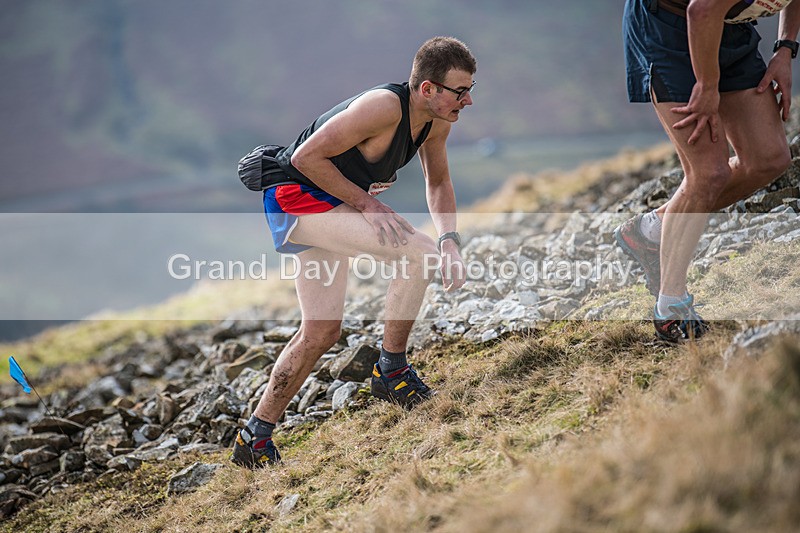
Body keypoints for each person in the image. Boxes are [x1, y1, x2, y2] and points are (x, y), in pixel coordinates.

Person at [232, 37, 476, 467]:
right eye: (460, 91)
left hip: (329, 200)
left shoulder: (438, 121)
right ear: (428, 89)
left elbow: (437, 182)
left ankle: (254, 438)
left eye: (470, 89)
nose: (468, 100)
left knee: (322, 331)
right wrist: (367, 203)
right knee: (417, 254)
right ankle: (392, 372)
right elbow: (306, 157)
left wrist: (450, 239)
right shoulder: (383, 107)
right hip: (296, 195)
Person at [617, 0, 799, 341]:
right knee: (709, 173)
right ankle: (670, 307)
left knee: (769, 157)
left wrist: (786, 49)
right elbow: (701, 9)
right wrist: (708, 85)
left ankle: (651, 230)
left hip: (726, 26)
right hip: (668, 27)